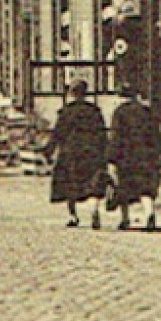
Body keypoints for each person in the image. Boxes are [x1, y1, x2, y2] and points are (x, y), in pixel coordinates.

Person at [45, 79, 108, 229]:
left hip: (71, 153)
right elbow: (102, 133)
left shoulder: (66, 112)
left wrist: (49, 150)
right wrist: (105, 152)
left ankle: (73, 216)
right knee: (93, 184)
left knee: (70, 185)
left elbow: (58, 133)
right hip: (92, 152)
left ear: (72, 93)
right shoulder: (94, 111)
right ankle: (94, 209)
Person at [107, 83, 161, 230]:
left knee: (123, 188)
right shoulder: (146, 111)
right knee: (145, 188)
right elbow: (156, 134)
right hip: (146, 156)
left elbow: (116, 137)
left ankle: (125, 219)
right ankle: (149, 212)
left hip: (126, 157)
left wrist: (111, 158)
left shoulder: (119, 113)